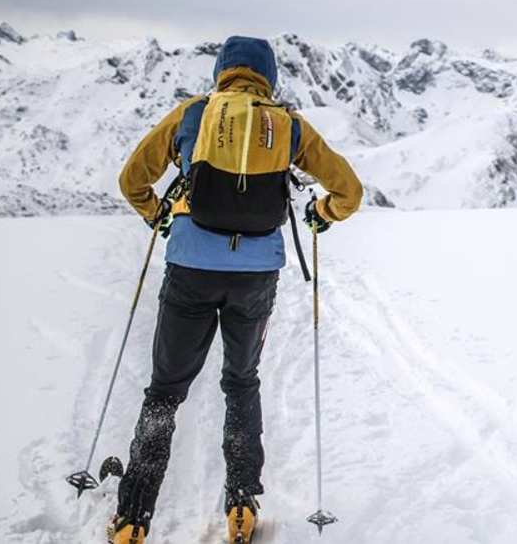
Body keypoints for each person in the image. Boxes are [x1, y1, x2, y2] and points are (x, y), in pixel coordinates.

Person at [110, 36, 363, 544]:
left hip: (189, 269)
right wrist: (321, 214)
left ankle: (134, 517)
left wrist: (157, 214)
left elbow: (131, 180)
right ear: (268, 76)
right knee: (241, 383)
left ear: (221, 72)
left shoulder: (192, 115)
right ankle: (241, 504)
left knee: (164, 391)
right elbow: (349, 193)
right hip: (255, 278)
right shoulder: (288, 125)